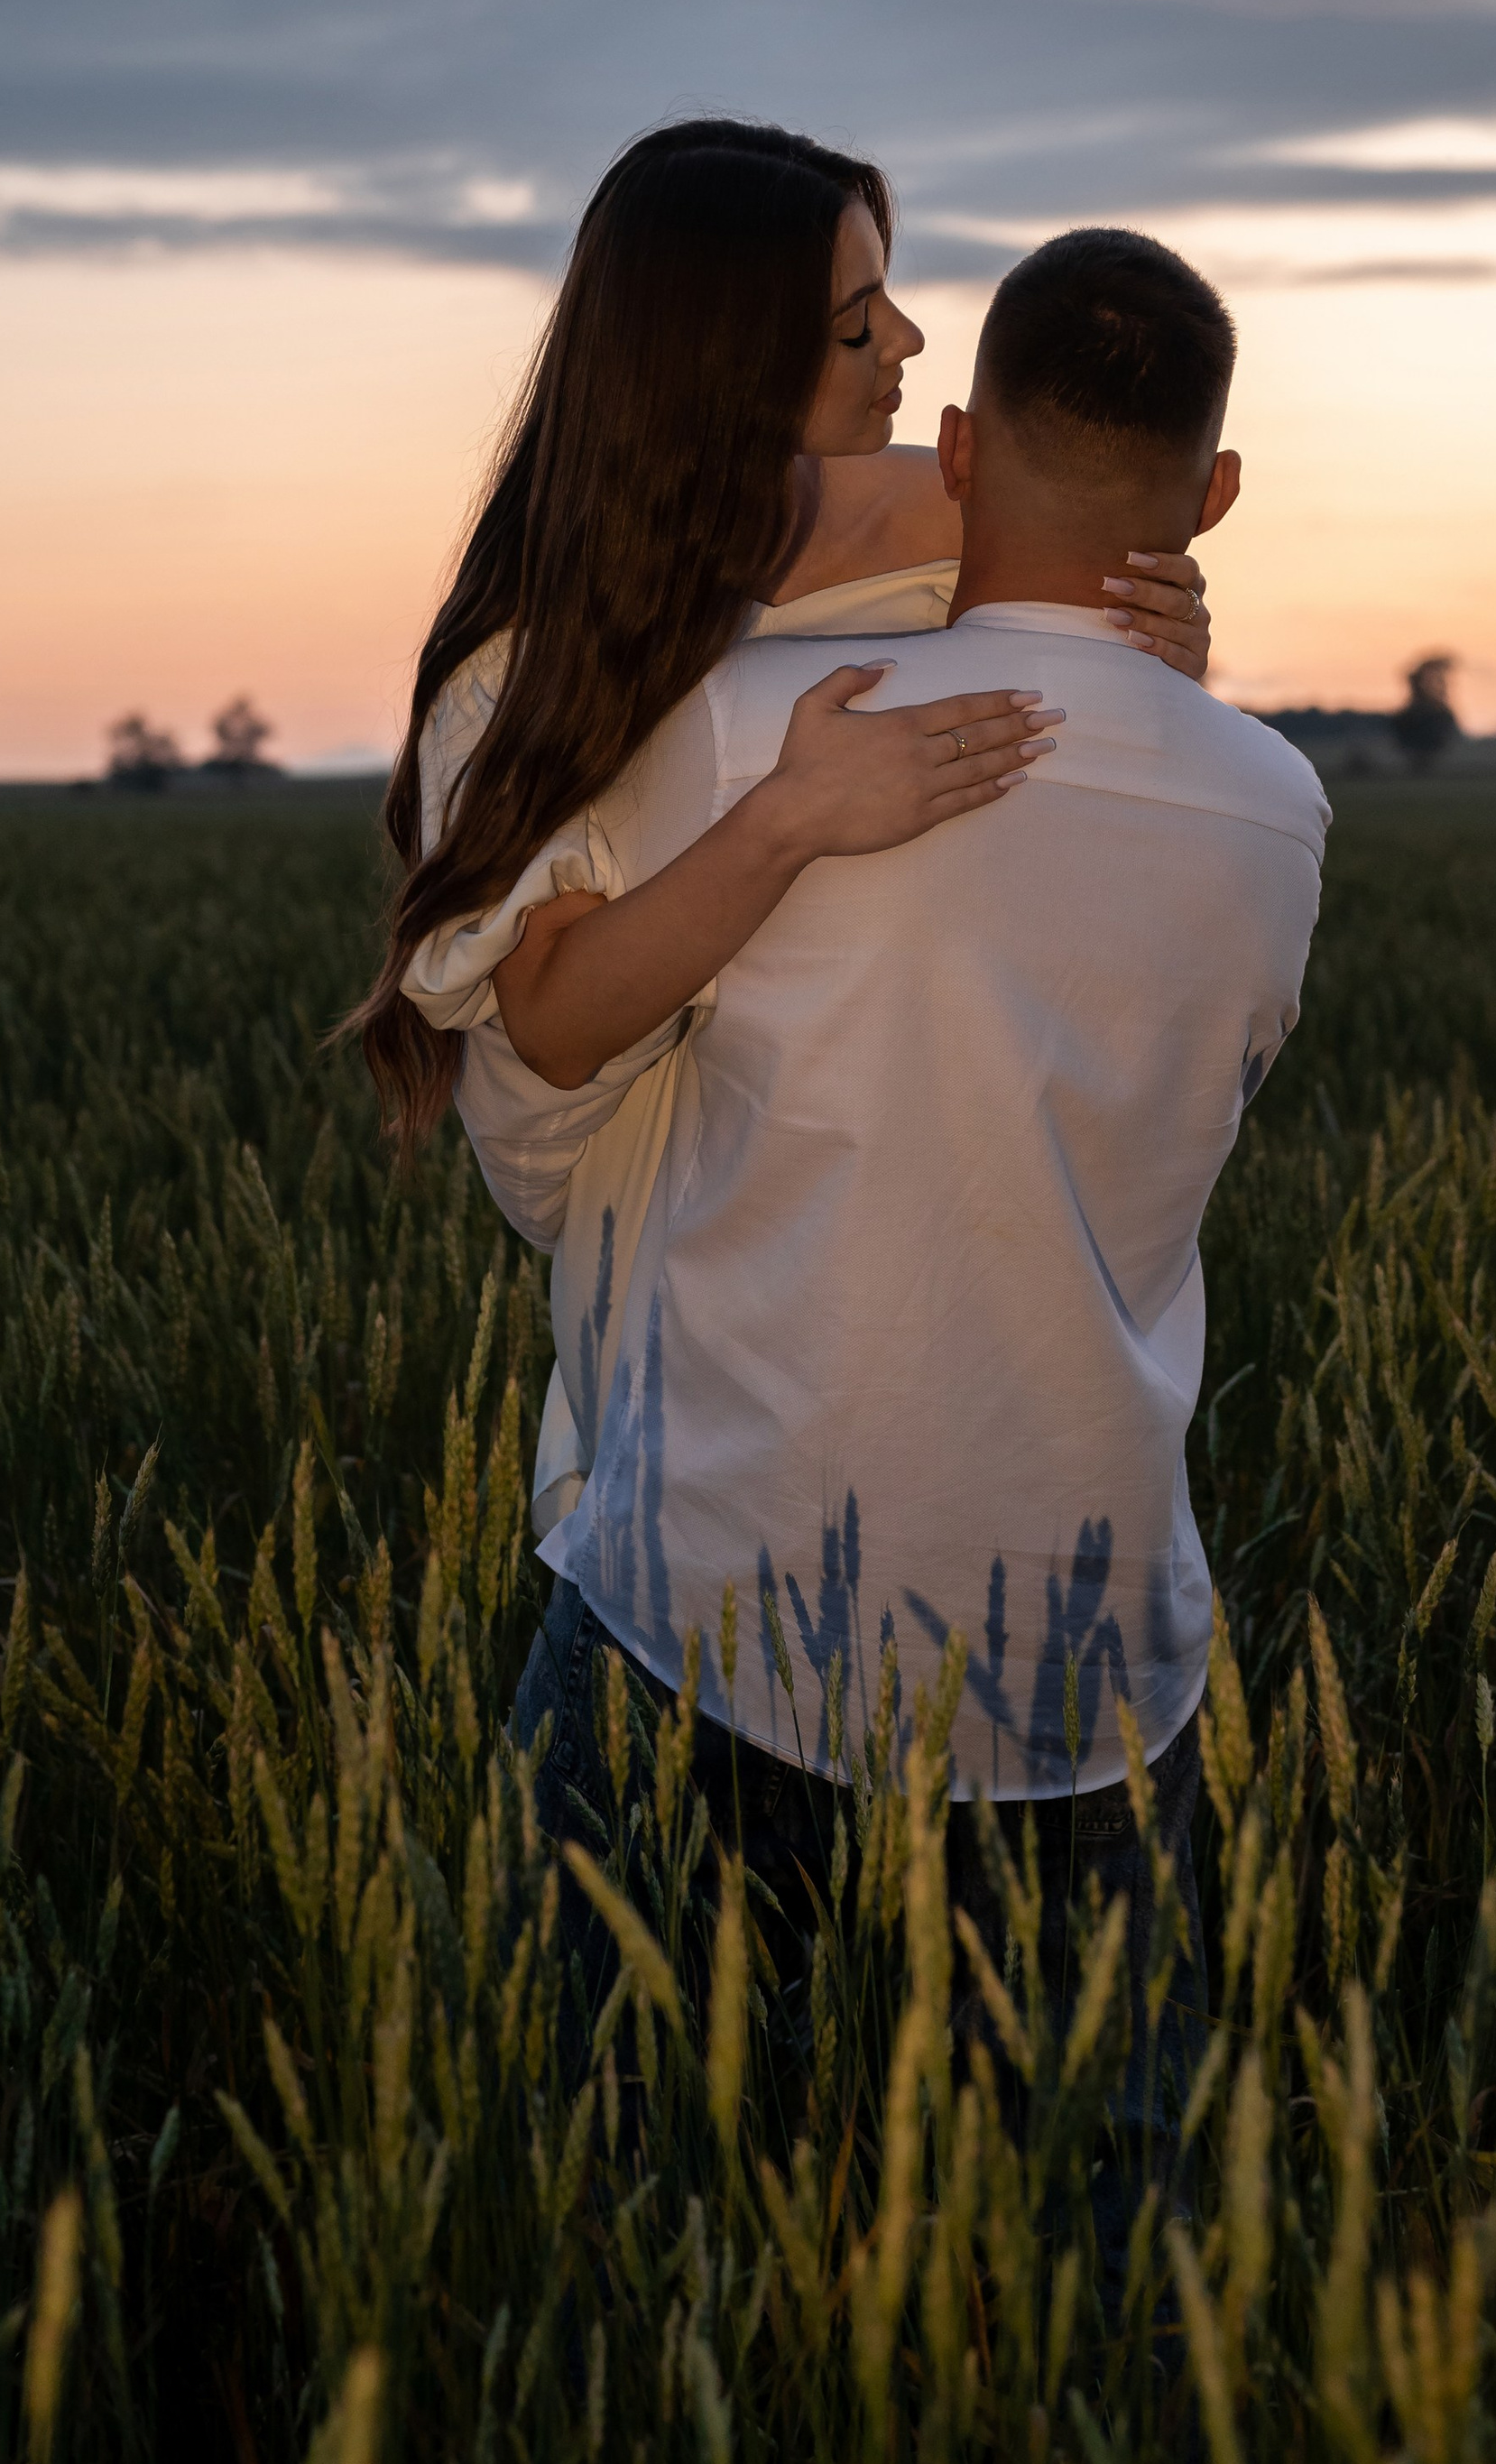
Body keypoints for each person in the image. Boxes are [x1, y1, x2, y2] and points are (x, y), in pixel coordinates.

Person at [461, 227, 1327, 2208]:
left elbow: (532, 986)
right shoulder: (1274, 808)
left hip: (709, 1586)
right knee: (1109, 2240)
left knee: (597, 2189)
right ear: (1206, 500)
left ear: (954, 452)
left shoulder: (755, 718)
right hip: (1082, 1634)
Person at [348, 119, 1224, 1524]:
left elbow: (1091, 574)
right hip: (631, 1143)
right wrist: (788, 819)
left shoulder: (895, 510)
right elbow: (561, 1031)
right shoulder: (515, 668)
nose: (913, 341)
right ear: (727, 362)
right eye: (855, 324)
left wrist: (1161, 645)